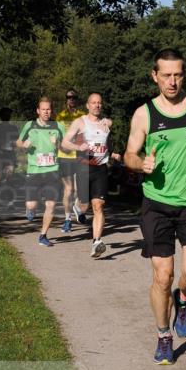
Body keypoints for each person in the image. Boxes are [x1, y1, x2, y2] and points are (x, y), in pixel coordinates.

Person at [124, 48, 186, 365]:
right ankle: (164, 336)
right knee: (162, 277)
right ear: (155, 76)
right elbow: (128, 155)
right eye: (166, 75)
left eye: (178, 74)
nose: (172, 81)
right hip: (157, 204)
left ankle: (182, 299)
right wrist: (141, 163)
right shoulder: (144, 114)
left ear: (184, 74)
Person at [61, 92, 121, 258]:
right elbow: (64, 142)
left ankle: (96, 242)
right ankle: (76, 206)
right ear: (87, 105)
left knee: (99, 205)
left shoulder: (106, 124)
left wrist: (113, 153)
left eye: (99, 103)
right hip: (83, 168)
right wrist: (77, 147)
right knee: (84, 205)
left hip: (101, 168)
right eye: (93, 103)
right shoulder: (80, 122)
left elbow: (106, 144)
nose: (97, 105)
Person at [17, 97, 63, 247]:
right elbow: (18, 142)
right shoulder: (30, 125)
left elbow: (66, 146)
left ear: (51, 110)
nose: (46, 112)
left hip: (52, 170)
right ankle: (29, 209)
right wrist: (24, 145)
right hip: (34, 171)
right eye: (43, 109)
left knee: (51, 205)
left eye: (48, 109)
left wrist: (59, 145)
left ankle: (43, 235)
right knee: (31, 205)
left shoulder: (57, 126)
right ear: (38, 111)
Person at [56, 88, 86, 232]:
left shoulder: (83, 116)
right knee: (69, 189)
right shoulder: (60, 116)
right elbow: (57, 137)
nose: (71, 100)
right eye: (68, 97)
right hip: (65, 157)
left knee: (81, 190)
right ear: (66, 99)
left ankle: (76, 207)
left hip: (80, 156)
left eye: (73, 97)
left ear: (77, 99)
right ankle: (67, 220)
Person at [0, 108, 19, 206]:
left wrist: (15, 147)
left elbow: (17, 142)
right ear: (1, 116)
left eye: (9, 114)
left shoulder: (14, 128)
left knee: (9, 177)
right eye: (6, 114)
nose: (8, 116)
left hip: (10, 155)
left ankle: (9, 200)